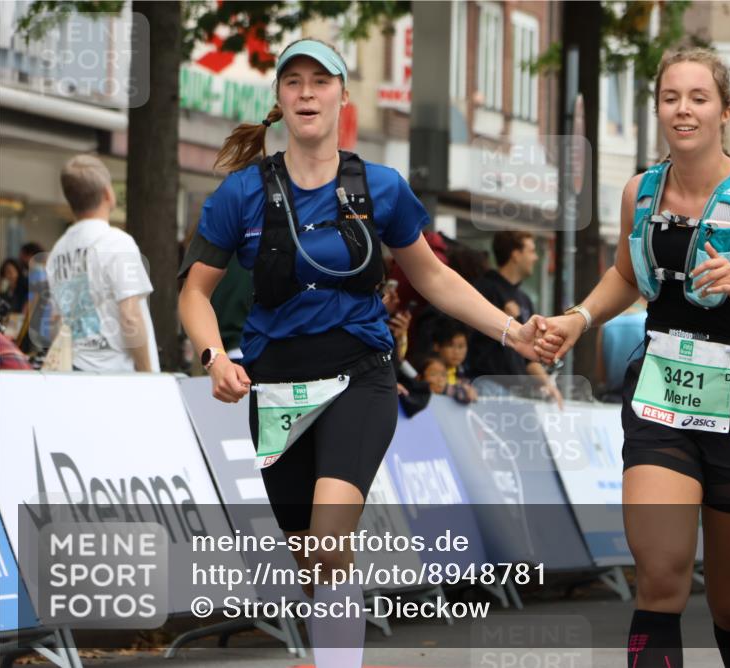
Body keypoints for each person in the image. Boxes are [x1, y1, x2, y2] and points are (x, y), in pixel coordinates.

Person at [175, 39, 546, 668]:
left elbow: (434, 279)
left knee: (326, 538)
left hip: (359, 375)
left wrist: (512, 331)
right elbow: (194, 293)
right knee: (307, 555)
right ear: (280, 100)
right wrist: (215, 357)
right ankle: (336, 651)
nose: (306, 93)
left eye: (321, 81)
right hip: (277, 386)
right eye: (293, 82)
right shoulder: (241, 194)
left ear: (343, 97)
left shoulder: (380, 187)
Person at [536, 48, 730, 668]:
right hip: (661, 398)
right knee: (661, 581)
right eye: (671, 98)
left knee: (729, 602)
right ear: (657, 110)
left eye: (698, 98)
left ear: (724, 112)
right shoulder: (639, 193)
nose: (683, 109)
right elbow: (627, 272)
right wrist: (579, 318)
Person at [47, 155, 158, 372]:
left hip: (76, 370)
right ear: (108, 193)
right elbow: (130, 317)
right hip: (117, 376)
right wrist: (147, 375)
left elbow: (56, 320)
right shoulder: (117, 242)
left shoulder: (57, 252)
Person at [466, 231, 563, 407]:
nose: (535, 258)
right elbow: (467, 337)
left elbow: (528, 356)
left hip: (515, 393)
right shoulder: (485, 289)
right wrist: (502, 319)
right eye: (532, 251)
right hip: (487, 386)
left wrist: (548, 384)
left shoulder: (524, 299)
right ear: (516, 255)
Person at [431, 320, 477, 402]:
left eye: (461, 346)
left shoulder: (464, 372)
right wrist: (461, 392)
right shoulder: (429, 370)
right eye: (450, 345)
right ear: (436, 346)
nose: (456, 352)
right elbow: (436, 388)